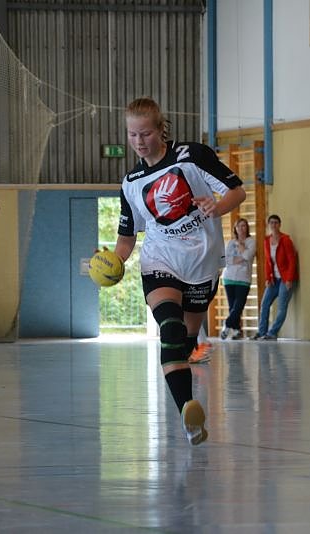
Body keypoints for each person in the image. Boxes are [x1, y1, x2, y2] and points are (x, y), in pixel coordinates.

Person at [113, 97, 246, 445]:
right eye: (132, 135)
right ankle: (188, 411)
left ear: (160, 129)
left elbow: (237, 192)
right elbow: (127, 237)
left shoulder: (192, 156)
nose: (139, 141)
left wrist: (216, 207)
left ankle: (189, 415)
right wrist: (115, 261)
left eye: (145, 133)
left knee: (184, 344)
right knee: (169, 328)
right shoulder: (131, 182)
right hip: (161, 260)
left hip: (202, 264)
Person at [252, 214, 298, 340]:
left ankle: (272, 333)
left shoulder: (285, 240)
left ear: (279, 224)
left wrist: (289, 279)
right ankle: (262, 332)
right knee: (265, 304)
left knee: (282, 307)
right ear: (269, 225)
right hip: (274, 280)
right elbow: (268, 262)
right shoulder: (267, 241)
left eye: (276, 222)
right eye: (271, 222)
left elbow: (292, 260)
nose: (273, 225)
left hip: (285, 279)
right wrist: (268, 278)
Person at [221, 217, 256, 340]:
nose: (241, 229)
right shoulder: (230, 243)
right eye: (239, 226)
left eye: (243, 226)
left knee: (238, 306)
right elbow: (226, 260)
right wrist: (241, 256)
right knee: (232, 306)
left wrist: (242, 249)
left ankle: (226, 325)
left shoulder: (251, 241)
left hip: (244, 278)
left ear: (247, 228)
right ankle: (236, 330)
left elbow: (248, 255)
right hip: (228, 277)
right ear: (235, 229)